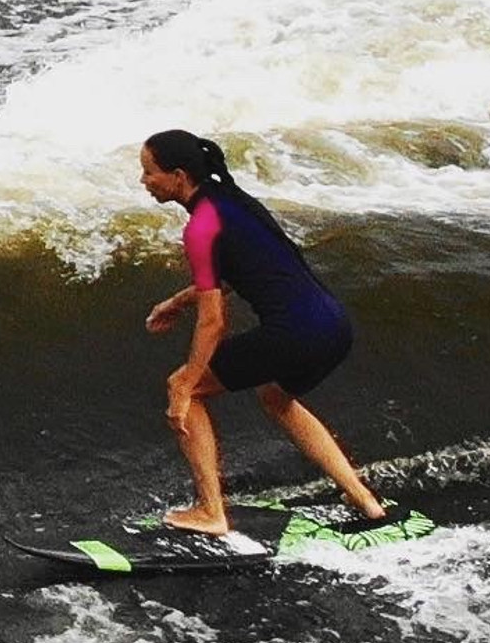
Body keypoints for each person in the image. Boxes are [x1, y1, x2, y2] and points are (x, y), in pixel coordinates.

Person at [140, 128, 385, 536]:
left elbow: (214, 320)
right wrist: (175, 303)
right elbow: (244, 269)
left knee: (185, 388)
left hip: (293, 333)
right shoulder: (235, 201)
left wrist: (187, 382)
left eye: (149, 173)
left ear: (178, 176)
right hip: (333, 325)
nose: (144, 182)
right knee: (275, 396)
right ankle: (363, 498)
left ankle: (210, 511)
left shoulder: (200, 227)